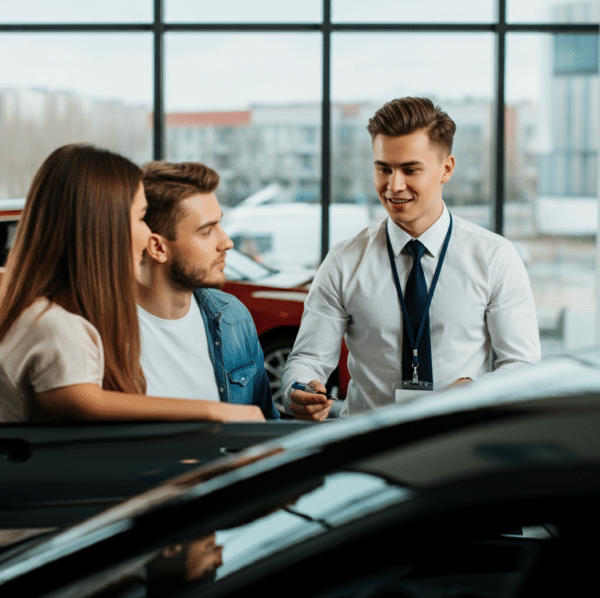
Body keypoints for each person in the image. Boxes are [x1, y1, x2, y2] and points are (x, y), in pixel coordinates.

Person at [282, 97, 541, 419]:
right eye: (383, 169)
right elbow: (307, 358)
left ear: (446, 168)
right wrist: (300, 388)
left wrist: (474, 391)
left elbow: (522, 365)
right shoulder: (344, 260)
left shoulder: (494, 257)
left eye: (410, 169)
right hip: (366, 444)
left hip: (458, 441)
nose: (394, 186)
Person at [0, 144, 264, 423]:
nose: (148, 233)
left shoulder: (39, 313)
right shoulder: (54, 325)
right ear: (104, 228)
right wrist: (216, 411)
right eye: (140, 217)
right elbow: (86, 401)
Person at [136, 161, 278, 419]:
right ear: (157, 248)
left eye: (220, 225)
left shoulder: (234, 317)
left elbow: (264, 427)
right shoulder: (99, 333)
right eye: (206, 231)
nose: (226, 242)